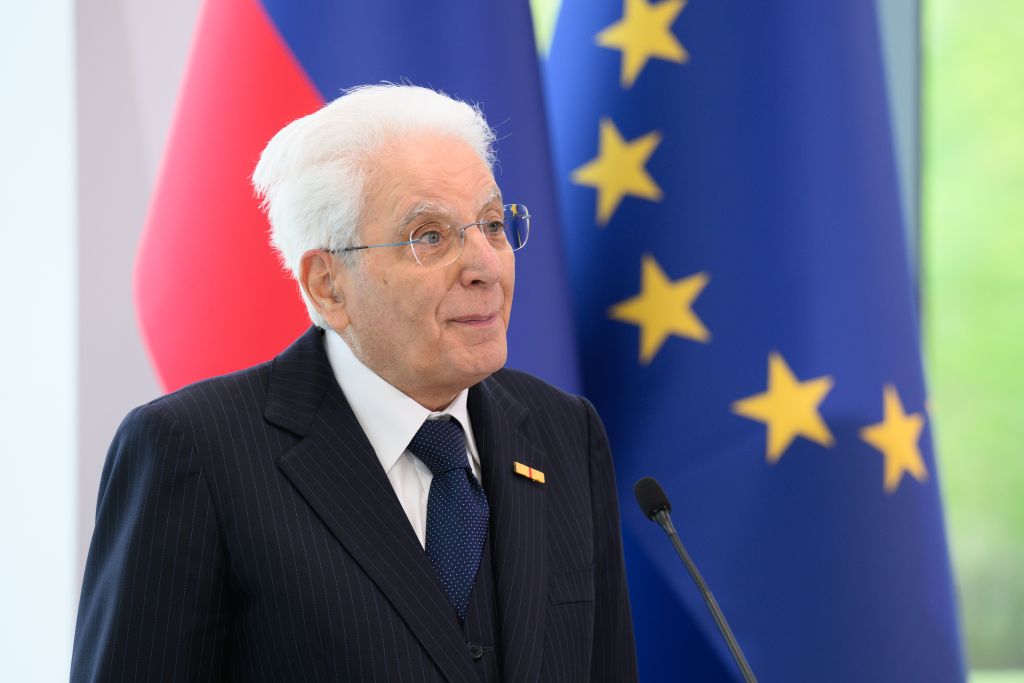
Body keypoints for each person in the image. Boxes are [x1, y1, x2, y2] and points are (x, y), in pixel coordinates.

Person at [71, 84, 637, 682]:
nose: (486, 266)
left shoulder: (565, 432)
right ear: (327, 285)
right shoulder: (195, 452)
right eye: (430, 236)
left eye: (492, 225)